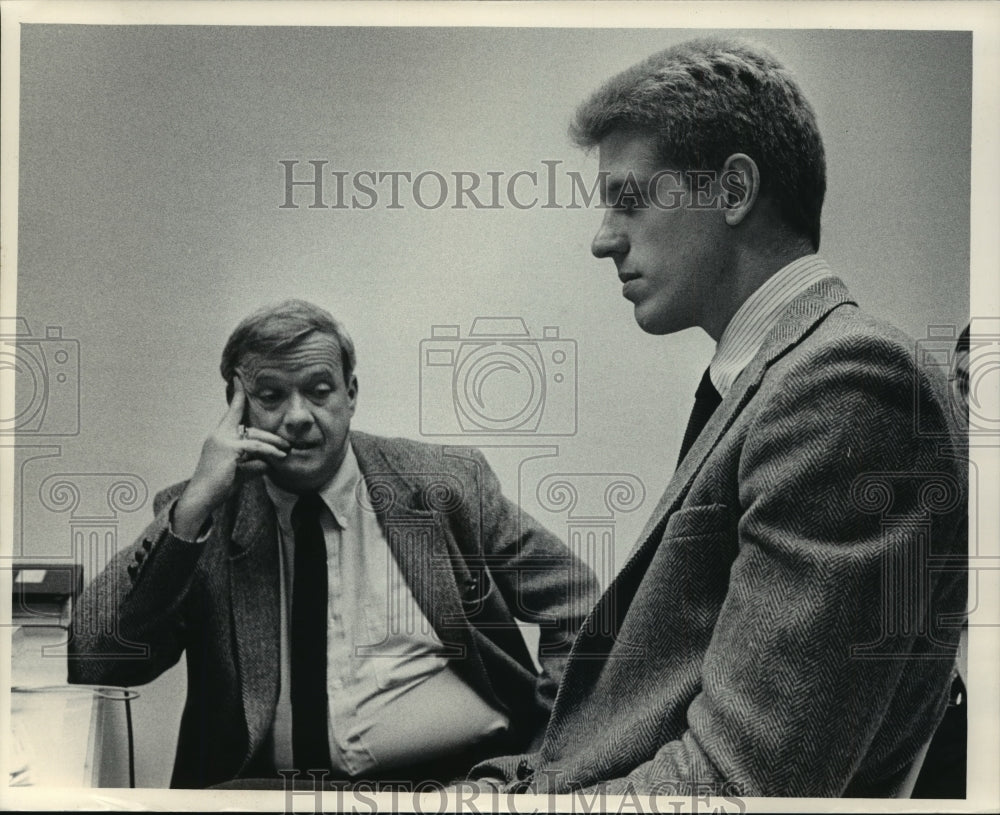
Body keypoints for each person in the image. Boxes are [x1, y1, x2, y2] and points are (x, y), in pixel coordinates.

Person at [466, 37, 968, 798]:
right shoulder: (778, 380)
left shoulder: (849, 386)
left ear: (733, 189)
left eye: (629, 199)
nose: (603, 238)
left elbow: (738, 785)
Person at [68, 300, 600, 789]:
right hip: (265, 793)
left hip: (457, 785)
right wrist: (192, 510)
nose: (297, 416)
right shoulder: (203, 515)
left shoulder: (443, 485)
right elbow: (96, 662)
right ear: (238, 407)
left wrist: (542, 754)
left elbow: (580, 603)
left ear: (351, 394)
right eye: (271, 395)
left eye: (319, 390)